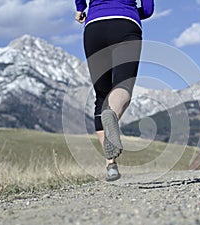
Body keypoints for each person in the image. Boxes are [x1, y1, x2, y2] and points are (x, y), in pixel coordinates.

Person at [75, 0, 154, 181]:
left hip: (94, 27)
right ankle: (112, 114)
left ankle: (110, 164)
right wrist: (131, 11)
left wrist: (80, 9)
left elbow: (80, 3)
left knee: (101, 96)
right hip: (126, 25)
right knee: (123, 85)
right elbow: (148, 9)